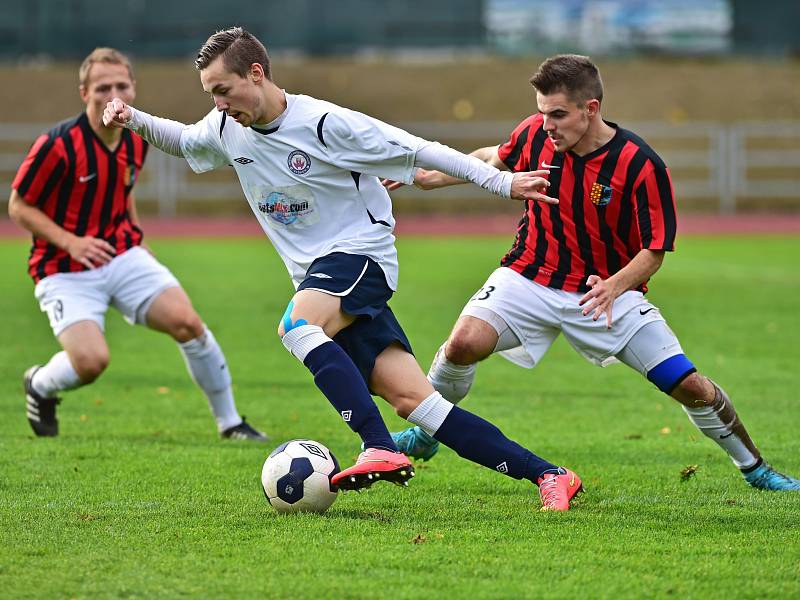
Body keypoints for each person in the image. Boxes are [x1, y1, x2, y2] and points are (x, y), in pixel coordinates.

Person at [103, 27, 584, 510]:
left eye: (223, 90)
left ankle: (378, 446)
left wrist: (501, 184)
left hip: (360, 257)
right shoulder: (226, 128)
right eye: (210, 95)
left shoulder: (325, 123)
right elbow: (185, 141)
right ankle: (550, 475)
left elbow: (420, 151)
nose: (218, 103)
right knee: (420, 405)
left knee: (295, 325)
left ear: (256, 73)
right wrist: (132, 118)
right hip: (323, 276)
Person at [387, 54, 800, 492]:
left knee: (688, 385)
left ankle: (756, 469)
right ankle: (427, 432)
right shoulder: (534, 134)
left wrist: (615, 285)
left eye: (559, 115)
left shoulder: (640, 164)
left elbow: (654, 249)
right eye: (543, 112)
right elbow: (494, 156)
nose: (548, 125)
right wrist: (435, 174)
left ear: (591, 109)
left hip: (606, 295)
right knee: (462, 344)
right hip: (528, 275)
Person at [9, 47, 267, 443]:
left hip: (121, 253)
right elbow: (19, 205)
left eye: (121, 85)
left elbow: (121, 190)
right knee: (91, 362)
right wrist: (72, 242)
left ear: (132, 89)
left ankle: (230, 423)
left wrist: (137, 237)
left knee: (189, 324)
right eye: (102, 87)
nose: (113, 93)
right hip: (63, 267)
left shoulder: (133, 138)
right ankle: (40, 384)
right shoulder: (57, 145)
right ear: (84, 93)